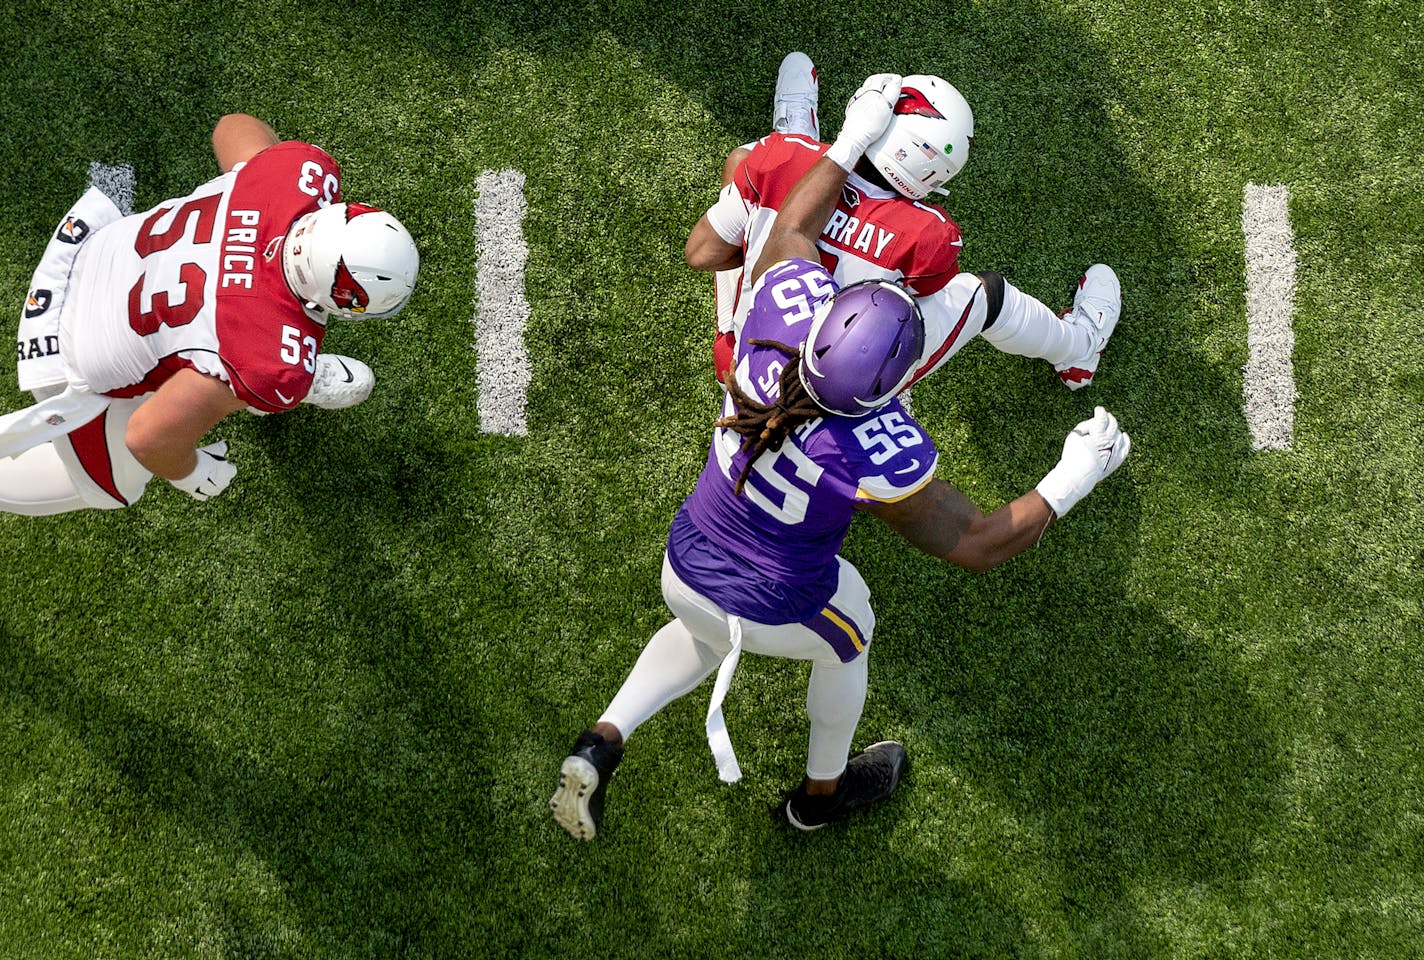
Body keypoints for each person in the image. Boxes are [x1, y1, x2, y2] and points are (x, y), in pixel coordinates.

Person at [550, 75, 1131, 840]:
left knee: (700, 626)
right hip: (774, 601)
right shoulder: (876, 446)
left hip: (686, 555)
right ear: (893, 389)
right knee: (851, 629)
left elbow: (790, 232)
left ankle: (603, 740)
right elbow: (980, 542)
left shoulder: (773, 326)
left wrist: (848, 138)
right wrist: (1075, 474)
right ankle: (818, 800)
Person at [0, 114, 419, 515]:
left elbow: (230, 127)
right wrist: (192, 473)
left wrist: (260, 172)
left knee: (233, 366)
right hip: (64, 353)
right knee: (114, 488)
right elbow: (148, 437)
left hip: (86, 250)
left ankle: (274, 382)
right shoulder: (264, 355)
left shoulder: (297, 175)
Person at [685, 54, 1118, 392]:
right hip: (842, 392)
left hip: (744, 363)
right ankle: (1080, 349)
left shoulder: (777, 155)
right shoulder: (929, 233)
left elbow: (703, 253)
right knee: (984, 295)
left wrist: (785, 174)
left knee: (748, 164)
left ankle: (802, 140)